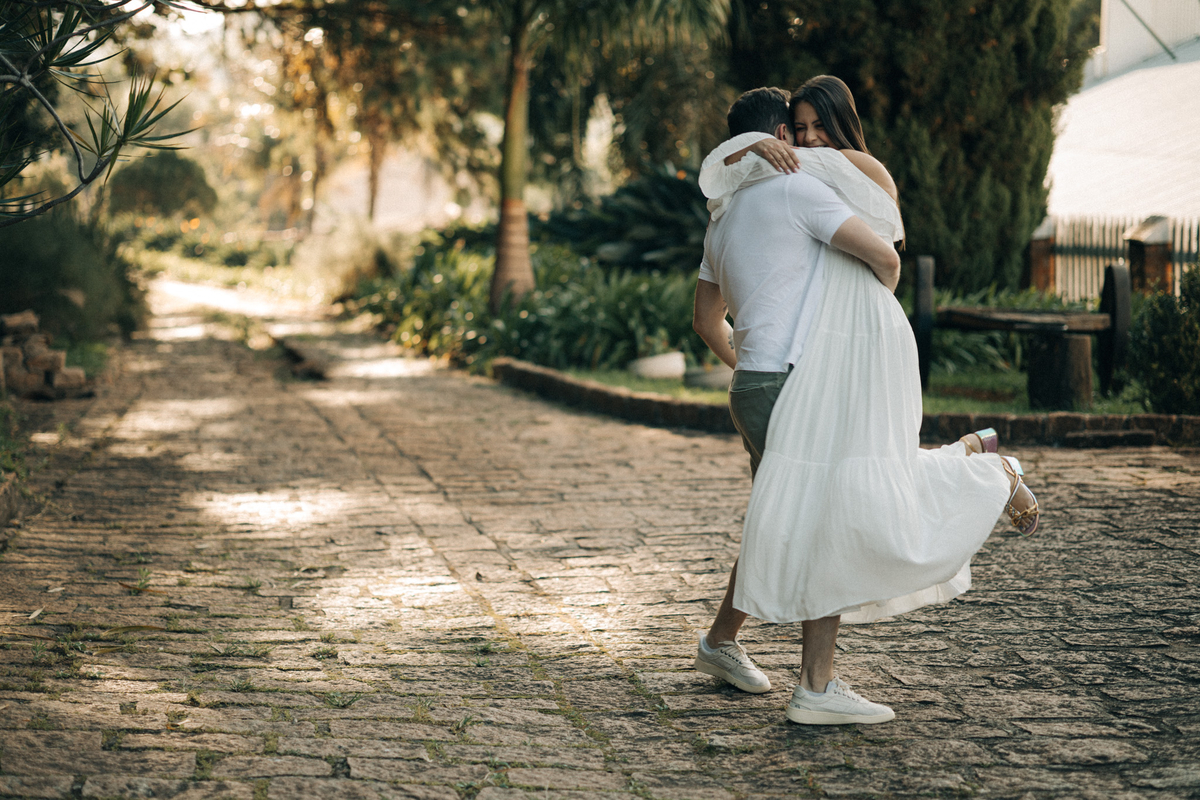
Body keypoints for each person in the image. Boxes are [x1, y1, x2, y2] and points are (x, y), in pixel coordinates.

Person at [691, 78, 1039, 726]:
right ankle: (815, 686)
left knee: (788, 515)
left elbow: (705, 321)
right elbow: (885, 253)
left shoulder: (724, 220)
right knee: (827, 521)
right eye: (795, 133)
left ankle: (722, 642)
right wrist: (871, 294)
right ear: (777, 141)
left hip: (755, 390)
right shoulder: (796, 189)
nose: (805, 143)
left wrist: (751, 367)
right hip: (793, 384)